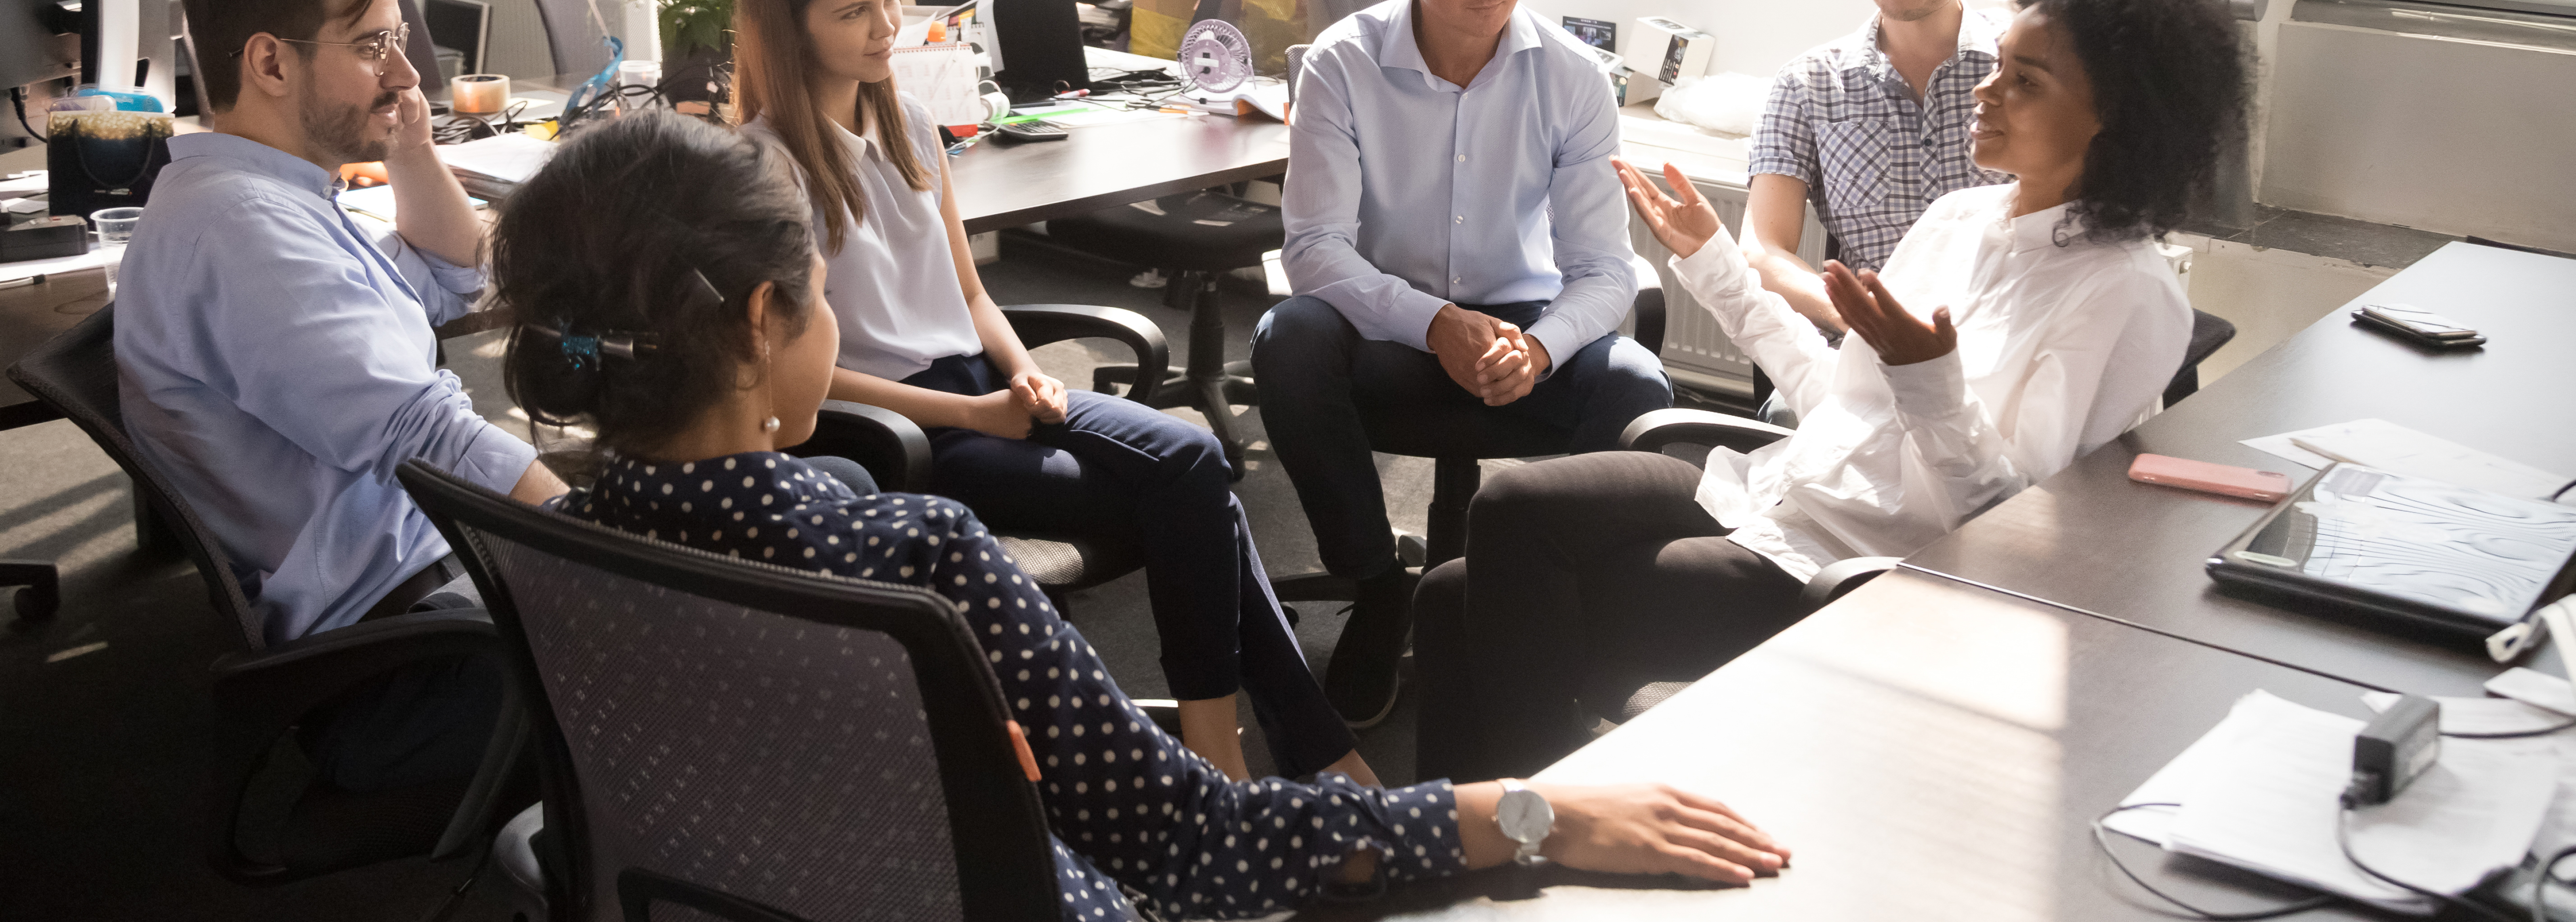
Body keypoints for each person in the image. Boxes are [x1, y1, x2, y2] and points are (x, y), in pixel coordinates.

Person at [490, 110, 1795, 920]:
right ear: (767, 318)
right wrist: (1530, 811)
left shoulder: (547, 524)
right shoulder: (903, 557)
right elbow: (1198, 843)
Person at [1414, 0, 2245, 783]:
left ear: (2114, 116)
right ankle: (1491, 837)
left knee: (1459, 601)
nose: (1987, 89)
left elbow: (2013, 531)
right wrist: (1715, 265)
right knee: (1509, 506)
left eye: (2026, 81)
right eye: (1997, 67)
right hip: (1776, 492)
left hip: (1857, 566)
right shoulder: (1962, 217)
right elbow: (1831, 397)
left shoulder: (2125, 293)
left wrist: (1934, 384)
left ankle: (1532, 840)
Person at [727, 0, 1354, 785]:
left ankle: (1246, 760)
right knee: (1193, 490)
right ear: (788, 26)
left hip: (987, 384)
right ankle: (1274, 756)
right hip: (904, 428)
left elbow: (974, 292)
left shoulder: (907, 124)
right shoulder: (770, 168)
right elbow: (803, 381)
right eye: (854, 11)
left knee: (1194, 461)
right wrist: (974, 414)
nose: (886, 27)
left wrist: (1025, 374)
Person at [116, 0, 565, 790]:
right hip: (407, 657)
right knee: (760, 665)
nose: (404, 73)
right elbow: (425, 435)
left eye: (399, 40)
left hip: (443, 583)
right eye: (370, 47)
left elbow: (448, 276)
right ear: (271, 62)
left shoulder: (274, 193)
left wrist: (405, 143)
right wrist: (600, 540)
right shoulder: (243, 232)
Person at [1252, 0, 1672, 728]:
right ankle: (1377, 585)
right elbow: (1316, 250)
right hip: (1386, 325)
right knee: (1288, 339)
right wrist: (1433, 321)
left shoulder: (1573, 77)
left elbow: (1603, 268)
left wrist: (1545, 344)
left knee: (1638, 387)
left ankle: (1533, 596)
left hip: (1527, 321)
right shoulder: (1341, 62)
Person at [1744, 0, 2009, 344]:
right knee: (1787, 418)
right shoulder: (1810, 83)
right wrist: (1857, 315)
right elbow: (1761, 252)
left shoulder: (2021, 68)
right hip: (1866, 349)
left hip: (2003, 342)